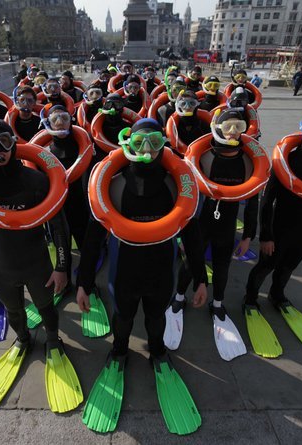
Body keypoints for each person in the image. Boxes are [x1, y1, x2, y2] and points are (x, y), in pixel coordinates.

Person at [77, 118, 206, 434]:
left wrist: (201, 278)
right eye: (138, 142)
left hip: (162, 267)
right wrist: (83, 282)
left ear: (164, 144)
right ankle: (119, 350)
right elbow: (92, 238)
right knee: (122, 315)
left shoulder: (175, 184)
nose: (146, 149)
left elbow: (192, 235)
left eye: (153, 141)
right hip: (124, 268)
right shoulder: (114, 183)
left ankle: (157, 351)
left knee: (155, 316)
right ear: (127, 144)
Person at [0, 119, 82, 410]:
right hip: (1, 266)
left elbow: (59, 226)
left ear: (14, 143)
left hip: (37, 262)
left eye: (4, 141)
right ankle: (23, 338)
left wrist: (62, 267)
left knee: (45, 306)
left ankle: (54, 340)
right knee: (13, 309)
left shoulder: (36, 181)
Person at [243, 112, 302, 356]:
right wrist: (265, 235)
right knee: (266, 265)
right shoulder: (286, 160)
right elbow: (267, 200)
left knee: (289, 267)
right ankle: (250, 299)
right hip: (280, 224)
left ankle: (277, 295)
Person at [166, 109, 258, 360]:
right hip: (199, 220)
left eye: (238, 126)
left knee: (222, 265)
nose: (232, 132)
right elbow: (183, 191)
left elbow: (253, 201)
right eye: (227, 125)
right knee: (189, 262)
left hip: (227, 223)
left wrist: (249, 235)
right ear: (217, 127)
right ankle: (179, 297)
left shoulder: (250, 161)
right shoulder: (202, 156)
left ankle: (217, 304)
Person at [41, 104, 90, 276]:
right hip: (56, 209)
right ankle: (64, 280)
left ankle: (87, 284)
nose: (60, 122)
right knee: (61, 247)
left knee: (86, 247)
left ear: (71, 120)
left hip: (80, 207)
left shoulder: (83, 148)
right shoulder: (44, 153)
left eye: (64, 118)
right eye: (54, 119)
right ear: (47, 123)